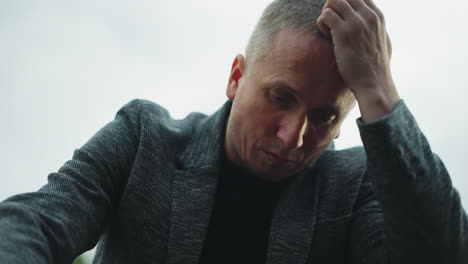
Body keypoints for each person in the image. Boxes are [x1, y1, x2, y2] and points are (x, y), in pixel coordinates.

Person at [0, 0, 467, 263]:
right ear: (236, 78)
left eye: (324, 117)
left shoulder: (358, 183)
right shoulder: (144, 138)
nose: (291, 137)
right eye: (280, 97)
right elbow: (39, 221)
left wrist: (380, 92)